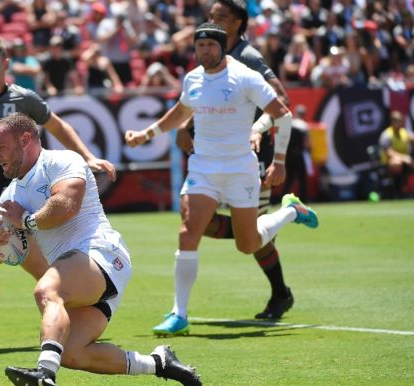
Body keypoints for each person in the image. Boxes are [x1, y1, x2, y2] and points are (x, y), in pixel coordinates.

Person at [0, 112, 201, 386]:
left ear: (25, 139)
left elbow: (65, 205)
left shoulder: (61, 161)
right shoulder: (11, 195)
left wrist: (26, 222)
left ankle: (44, 373)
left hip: (103, 254)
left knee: (47, 289)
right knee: (71, 352)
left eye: (1, 147)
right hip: (84, 276)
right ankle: (159, 363)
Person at [125, 23, 319, 337]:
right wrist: (146, 134)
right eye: (199, 47)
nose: (204, 52)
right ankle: (180, 313)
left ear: (222, 47)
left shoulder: (245, 77)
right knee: (188, 232)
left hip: (240, 169)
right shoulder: (193, 78)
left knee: (248, 244)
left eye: (210, 46)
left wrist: (279, 160)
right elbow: (179, 111)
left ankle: (292, 211)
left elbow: (282, 114)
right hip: (203, 168)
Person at [0, 37, 116, 354]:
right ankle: (81, 316)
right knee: (37, 264)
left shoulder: (23, 98)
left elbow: (57, 126)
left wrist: (86, 156)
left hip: (21, 190)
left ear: (6, 64)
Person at [167, 0, 297, 335]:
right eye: (211, 17)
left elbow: (282, 102)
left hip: (250, 151)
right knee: (201, 224)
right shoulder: (209, 53)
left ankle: (280, 292)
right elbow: (199, 98)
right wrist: (184, 126)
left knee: (249, 235)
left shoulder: (248, 57)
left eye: (221, 17)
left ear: (239, 23)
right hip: (213, 155)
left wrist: (258, 129)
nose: (214, 22)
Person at [378, 111, 413, 197]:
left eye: (401, 121)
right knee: (396, 162)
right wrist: (404, 158)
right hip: (388, 164)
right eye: (397, 121)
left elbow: (411, 137)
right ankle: (398, 191)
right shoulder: (386, 135)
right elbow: (389, 153)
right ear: (392, 122)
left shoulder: (404, 132)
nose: (400, 123)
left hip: (406, 162)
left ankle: (409, 189)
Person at [282, 105, 312, 201]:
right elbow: (307, 142)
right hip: (299, 155)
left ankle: (282, 198)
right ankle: (303, 199)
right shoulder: (304, 125)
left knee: (289, 179)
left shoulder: (290, 123)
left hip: (288, 155)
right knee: (302, 178)